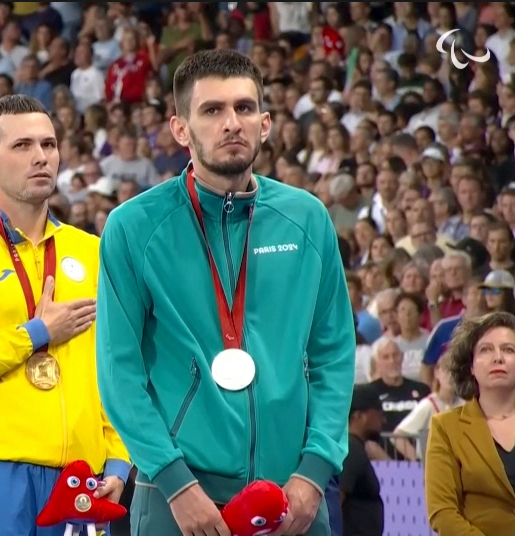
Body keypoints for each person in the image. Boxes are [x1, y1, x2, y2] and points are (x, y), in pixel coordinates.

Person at [96, 49, 355, 536]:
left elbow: (333, 355)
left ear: (266, 123)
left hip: (294, 499)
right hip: (179, 502)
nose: (231, 123)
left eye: (244, 108)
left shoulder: (306, 219)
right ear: (180, 128)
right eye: (212, 110)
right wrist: (175, 483)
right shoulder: (134, 227)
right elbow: (119, 373)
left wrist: (314, 472)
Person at [0, 94, 130, 535]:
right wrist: (35, 333)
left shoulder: (91, 252)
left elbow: (112, 367)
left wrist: (118, 458)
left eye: (49, 145)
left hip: (81, 477)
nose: (41, 157)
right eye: (22, 146)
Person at [425, 312, 515, 536]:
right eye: (486, 350)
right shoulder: (445, 427)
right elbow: (442, 511)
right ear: (471, 366)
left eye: (508, 350)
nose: (498, 358)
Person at [339, 385, 384, 536]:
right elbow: (338, 496)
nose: (383, 420)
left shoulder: (353, 448)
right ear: (359, 416)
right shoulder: (352, 449)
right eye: (378, 413)